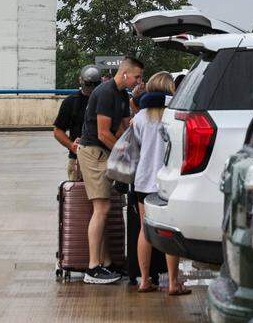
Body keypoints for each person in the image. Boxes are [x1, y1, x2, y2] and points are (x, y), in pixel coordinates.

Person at [76, 55, 144, 285]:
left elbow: (125, 125)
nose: (138, 81)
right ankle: (92, 267)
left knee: (107, 208)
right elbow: (103, 133)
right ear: (124, 73)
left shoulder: (123, 95)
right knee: (101, 207)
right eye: (136, 76)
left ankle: (106, 263)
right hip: (94, 153)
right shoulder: (105, 93)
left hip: (106, 153)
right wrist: (123, 155)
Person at [130, 71, 190, 296]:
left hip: (143, 180)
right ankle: (173, 283)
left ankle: (144, 280)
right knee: (169, 232)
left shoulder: (139, 118)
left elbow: (134, 146)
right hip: (168, 181)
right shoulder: (174, 116)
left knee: (145, 231)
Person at [53, 65, 101, 182]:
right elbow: (58, 131)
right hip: (77, 159)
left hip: (101, 159)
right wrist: (71, 146)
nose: (91, 88)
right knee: (77, 196)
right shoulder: (70, 102)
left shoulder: (105, 100)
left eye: (95, 84)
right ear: (81, 81)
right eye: (88, 84)